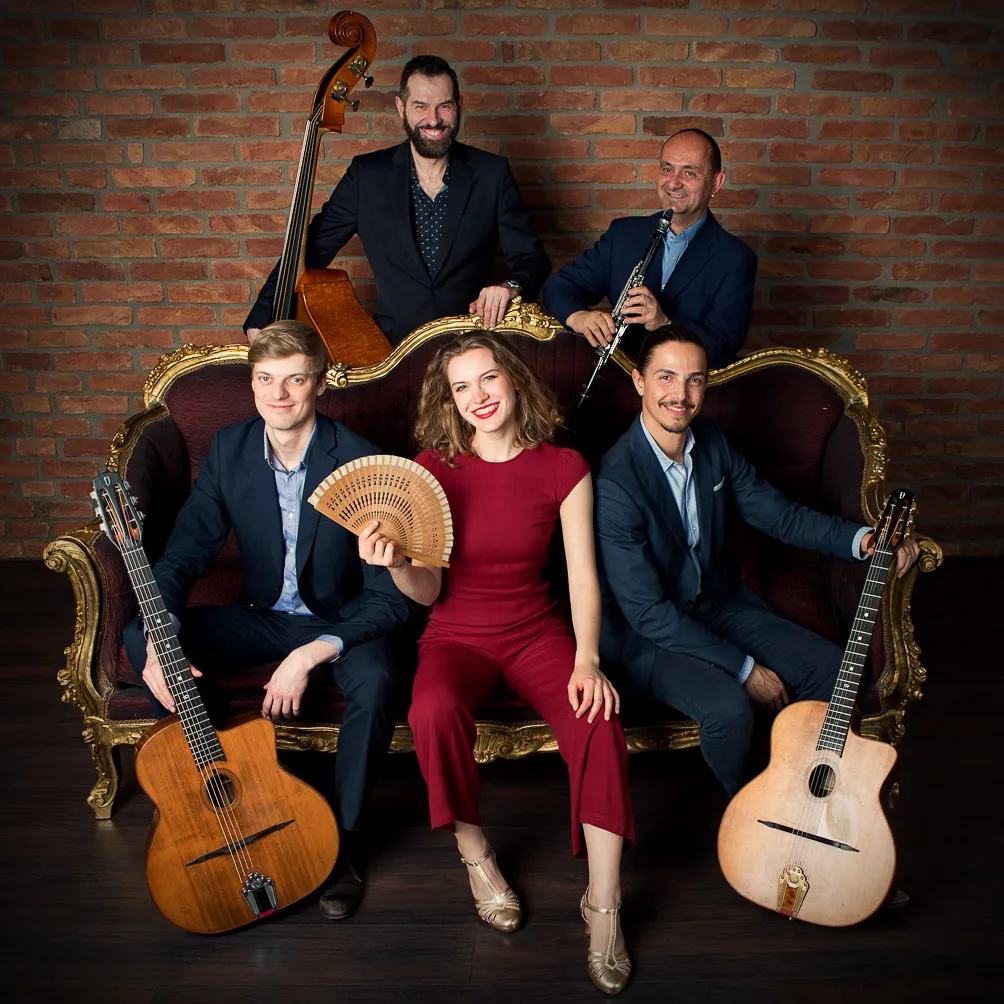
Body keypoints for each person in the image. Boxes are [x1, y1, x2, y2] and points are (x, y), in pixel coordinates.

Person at [359, 331, 634, 994]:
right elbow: (429, 591)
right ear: (449, 400)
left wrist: (588, 660)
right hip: (456, 636)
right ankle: (475, 854)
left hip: (537, 633)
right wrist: (398, 564)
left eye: (487, 378)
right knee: (431, 709)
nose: (477, 396)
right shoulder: (432, 469)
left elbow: (583, 579)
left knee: (598, 721)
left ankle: (603, 903)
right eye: (461, 386)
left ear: (513, 379)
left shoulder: (564, 467)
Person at [123, 320, 414, 921]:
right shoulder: (230, 449)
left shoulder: (362, 459)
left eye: (295, 380)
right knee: (141, 634)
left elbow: (390, 601)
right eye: (265, 379)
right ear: (252, 383)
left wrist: (311, 653)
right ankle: (235, 782)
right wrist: (160, 634)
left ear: (321, 385)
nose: (278, 394)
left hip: (341, 622)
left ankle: (346, 842)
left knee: (378, 678)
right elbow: (185, 553)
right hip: (263, 616)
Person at [594, 324, 919, 796]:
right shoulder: (616, 483)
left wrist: (864, 540)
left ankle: (798, 792)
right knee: (729, 709)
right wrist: (747, 670)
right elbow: (648, 613)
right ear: (639, 381)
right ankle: (749, 809)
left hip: (714, 602)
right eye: (666, 377)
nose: (680, 395)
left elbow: (779, 516)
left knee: (830, 669)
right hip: (650, 635)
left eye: (694, 380)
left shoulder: (711, 442)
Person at [245, 55, 550, 347]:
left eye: (444, 106)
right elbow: (308, 252)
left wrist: (510, 287)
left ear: (459, 106)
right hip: (392, 353)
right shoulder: (366, 176)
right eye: (421, 106)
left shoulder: (491, 173)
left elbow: (532, 259)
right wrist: (262, 317)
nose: (433, 119)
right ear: (401, 107)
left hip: (472, 349)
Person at [543, 128, 757, 369]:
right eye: (667, 169)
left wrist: (665, 324)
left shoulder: (736, 259)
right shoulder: (623, 235)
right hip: (618, 381)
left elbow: (723, 348)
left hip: (683, 389)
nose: (673, 183)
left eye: (689, 173)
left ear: (716, 182)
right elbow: (559, 287)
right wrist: (580, 317)